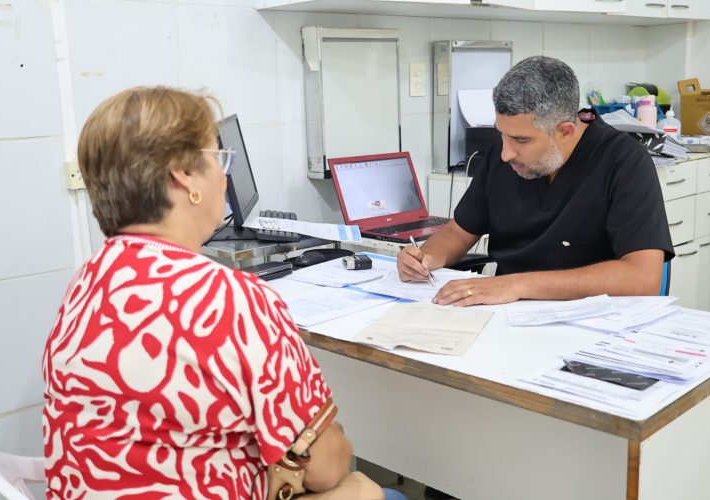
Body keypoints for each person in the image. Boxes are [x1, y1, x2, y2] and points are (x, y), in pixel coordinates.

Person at [42, 86, 403, 500]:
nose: (224, 175)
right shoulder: (233, 300)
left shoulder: (87, 283)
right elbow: (325, 468)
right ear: (184, 176)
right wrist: (329, 434)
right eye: (219, 158)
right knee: (370, 490)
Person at [398, 56, 674, 307]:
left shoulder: (623, 161)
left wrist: (517, 284)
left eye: (521, 140)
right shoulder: (503, 157)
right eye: (502, 135)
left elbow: (642, 278)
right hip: (506, 315)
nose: (505, 153)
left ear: (565, 132)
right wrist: (425, 258)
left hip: (589, 319)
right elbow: (459, 232)